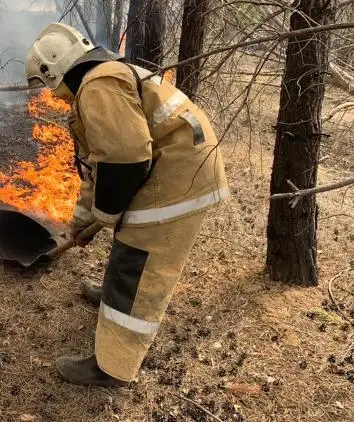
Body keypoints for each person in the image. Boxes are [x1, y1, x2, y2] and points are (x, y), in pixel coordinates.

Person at [25, 22, 230, 387]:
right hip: (177, 166)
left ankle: (112, 367)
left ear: (54, 70)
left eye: (48, 87)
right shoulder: (104, 79)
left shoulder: (98, 87)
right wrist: (83, 218)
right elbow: (100, 164)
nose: (53, 97)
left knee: (137, 263)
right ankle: (114, 296)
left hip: (179, 177)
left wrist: (104, 215)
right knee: (127, 243)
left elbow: (126, 160)